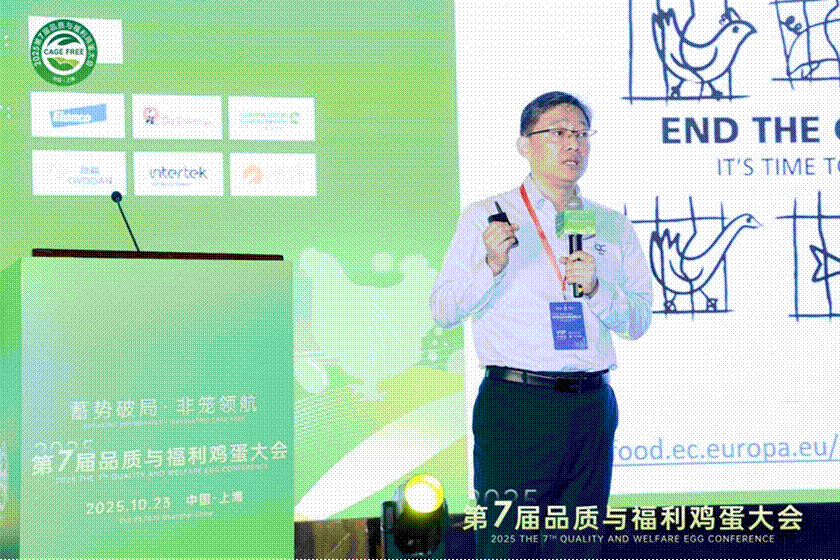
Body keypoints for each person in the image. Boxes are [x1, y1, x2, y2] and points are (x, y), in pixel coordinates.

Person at [430, 91, 653, 559]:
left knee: (577, 548)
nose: (573, 144)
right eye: (559, 132)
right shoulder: (487, 216)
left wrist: (597, 289)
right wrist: (492, 264)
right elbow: (444, 310)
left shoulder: (611, 225)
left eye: (582, 134)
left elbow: (637, 321)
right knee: (508, 546)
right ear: (524, 145)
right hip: (517, 405)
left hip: (591, 405)